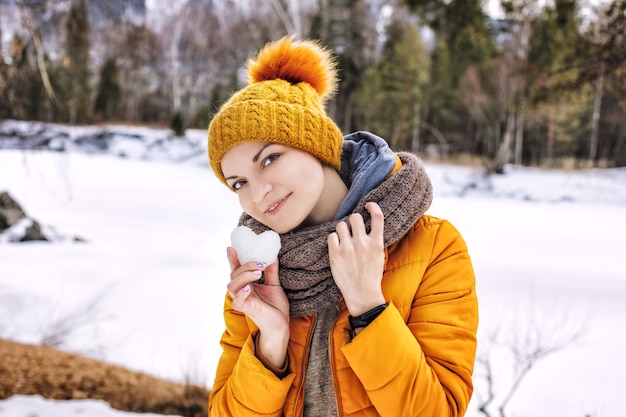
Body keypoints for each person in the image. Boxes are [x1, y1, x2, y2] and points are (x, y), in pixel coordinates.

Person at [207, 35, 478, 417]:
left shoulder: (434, 248)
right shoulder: (258, 274)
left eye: (269, 159)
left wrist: (368, 306)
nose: (257, 194)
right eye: (239, 183)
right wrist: (271, 341)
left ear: (315, 144)